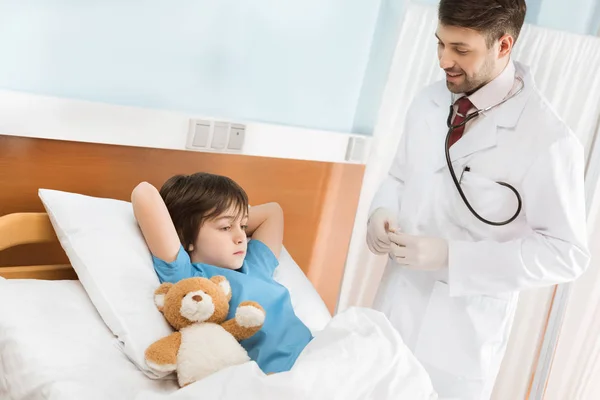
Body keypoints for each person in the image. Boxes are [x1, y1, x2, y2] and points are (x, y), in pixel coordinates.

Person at [366, 0, 590, 398]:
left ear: (504, 45)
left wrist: (452, 256)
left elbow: (565, 253)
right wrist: (382, 211)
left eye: (461, 50)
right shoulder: (428, 103)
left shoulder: (548, 140)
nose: (443, 61)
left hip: (461, 337)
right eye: (440, 44)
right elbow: (400, 175)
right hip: (395, 305)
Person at [131, 173, 312, 375]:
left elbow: (273, 212)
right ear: (185, 236)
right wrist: (190, 226)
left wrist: (231, 218)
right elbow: (144, 193)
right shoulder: (190, 278)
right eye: (225, 227)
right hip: (280, 375)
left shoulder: (255, 264)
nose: (241, 237)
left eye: (243, 226)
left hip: (315, 355)